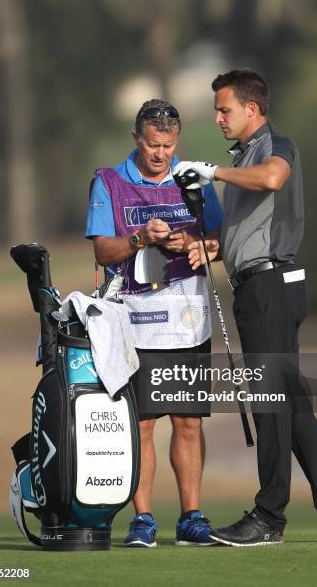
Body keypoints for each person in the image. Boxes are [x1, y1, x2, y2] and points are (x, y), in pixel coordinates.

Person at [176, 69, 317, 546]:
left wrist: (212, 171)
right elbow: (246, 231)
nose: (218, 117)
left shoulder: (274, 147)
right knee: (292, 404)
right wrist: (212, 247)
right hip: (257, 286)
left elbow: (275, 178)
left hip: (272, 287)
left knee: (269, 401)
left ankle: (269, 517)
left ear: (251, 110)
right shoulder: (243, 159)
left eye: (225, 109)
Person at [85, 99, 222, 547]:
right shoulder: (107, 182)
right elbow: (103, 251)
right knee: (141, 424)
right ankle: (142, 519)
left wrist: (195, 241)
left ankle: (191, 517)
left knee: (188, 421)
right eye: (151, 144)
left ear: (176, 139)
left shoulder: (195, 180)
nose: (160, 153)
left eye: (167, 144)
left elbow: (218, 238)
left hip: (187, 320)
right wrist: (141, 238)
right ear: (136, 138)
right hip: (131, 323)